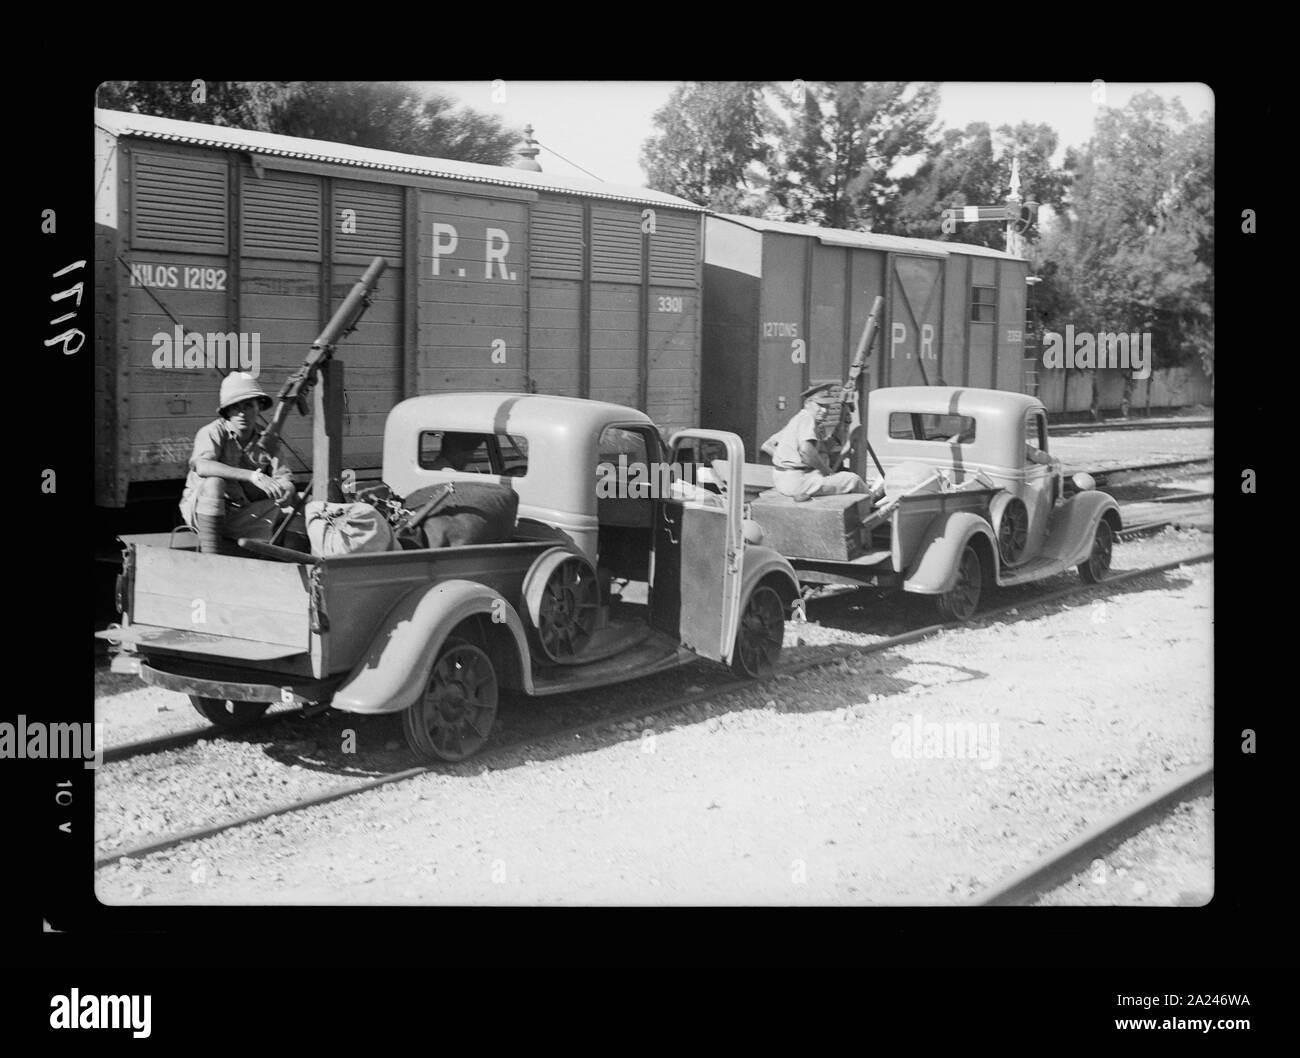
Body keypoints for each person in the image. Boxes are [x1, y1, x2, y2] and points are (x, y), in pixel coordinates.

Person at [179, 372, 299, 554]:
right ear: (227, 411)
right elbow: (202, 466)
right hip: (205, 511)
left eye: (249, 405)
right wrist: (253, 476)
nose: (242, 413)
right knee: (214, 482)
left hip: (243, 512)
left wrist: (285, 491)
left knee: (302, 503)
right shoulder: (212, 432)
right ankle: (211, 557)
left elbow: (285, 478)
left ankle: (293, 568)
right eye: (236, 407)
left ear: (259, 407)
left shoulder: (267, 440)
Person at [761, 382, 882, 503]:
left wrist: (786, 459)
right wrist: (827, 472)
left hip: (790, 478)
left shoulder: (799, 420)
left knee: (837, 477)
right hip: (797, 480)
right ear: (807, 403)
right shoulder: (807, 417)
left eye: (827, 407)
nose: (824, 410)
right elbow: (806, 451)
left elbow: (774, 444)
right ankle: (872, 499)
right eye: (819, 405)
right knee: (852, 480)